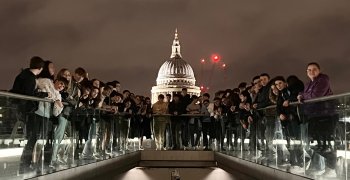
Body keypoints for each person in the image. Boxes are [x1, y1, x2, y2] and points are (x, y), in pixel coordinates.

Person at [11, 56, 46, 173]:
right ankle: (24, 165)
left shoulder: (22, 75)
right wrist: (43, 95)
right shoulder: (30, 78)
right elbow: (29, 96)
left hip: (21, 111)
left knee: (30, 138)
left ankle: (24, 165)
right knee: (32, 138)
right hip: (28, 112)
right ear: (40, 68)